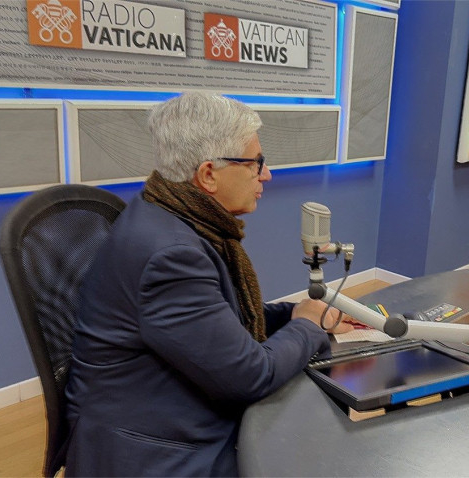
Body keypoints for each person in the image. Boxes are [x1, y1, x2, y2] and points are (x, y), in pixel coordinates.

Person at [64, 92, 352, 477]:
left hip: (156, 407)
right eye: (256, 163)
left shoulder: (164, 212)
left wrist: (292, 314)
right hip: (151, 448)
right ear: (208, 174)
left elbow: (212, 318)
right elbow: (251, 377)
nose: (266, 174)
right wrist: (308, 324)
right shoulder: (170, 256)